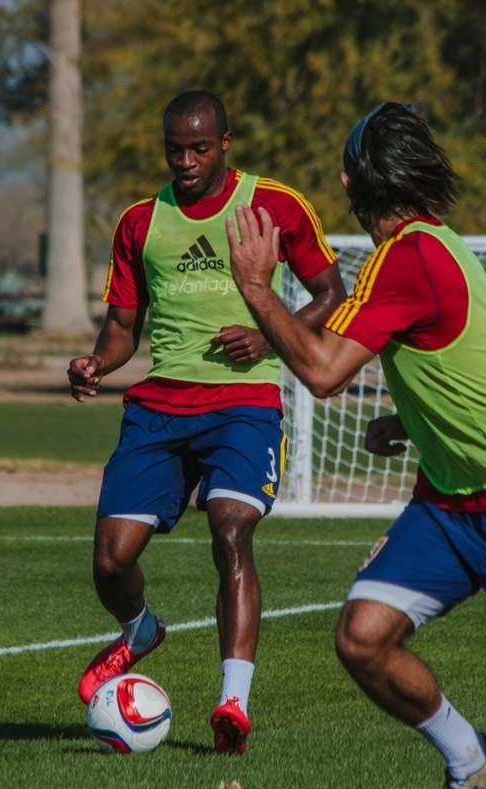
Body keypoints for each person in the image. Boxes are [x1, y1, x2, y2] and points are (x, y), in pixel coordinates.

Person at [224, 103, 486, 789]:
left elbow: (322, 372)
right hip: (452, 504)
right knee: (363, 636)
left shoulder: (411, 256)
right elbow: (471, 359)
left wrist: (257, 288)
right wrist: (410, 421)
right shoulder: (427, 248)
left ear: (351, 181)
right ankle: (468, 757)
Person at [68, 90, 346, 755]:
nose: (186, 161)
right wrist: (97, 362)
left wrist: (269, 333)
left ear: (226, 143)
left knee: (231, 529)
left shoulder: (275, 205)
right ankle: (139, 629)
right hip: (160, 407)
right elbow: (123, 327)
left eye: (199, 148)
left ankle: (233, 702)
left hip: (244, 404)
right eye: (175, 150)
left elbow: (332, 294)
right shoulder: (139, 222)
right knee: (110, 560)